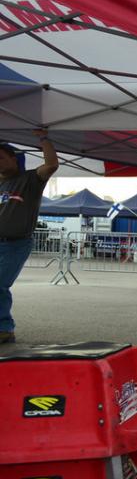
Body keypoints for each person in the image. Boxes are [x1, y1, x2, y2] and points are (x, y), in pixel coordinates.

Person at [0, 133, 59, 344]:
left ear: (14, 158)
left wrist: (43, 138)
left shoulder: (29, 180)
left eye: (1, 157)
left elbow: (51, 165)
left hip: (15, 243)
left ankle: (5, 329)